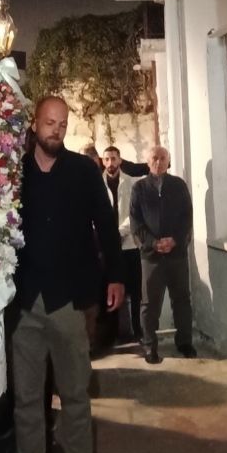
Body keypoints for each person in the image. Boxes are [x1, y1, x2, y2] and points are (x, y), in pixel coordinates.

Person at [2, 95, 124, 453]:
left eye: (62, 124)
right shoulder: (11, 173)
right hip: (24, 304)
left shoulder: (83, 172)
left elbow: (105, 225)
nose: (55, 130)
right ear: (35, 124)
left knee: (75, 395)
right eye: (49, 122)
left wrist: (115, 276)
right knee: (27, 401)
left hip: (70, 302)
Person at [130, 145, 195, 364]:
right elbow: (136, 222)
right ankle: (149, 346)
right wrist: (153, 243)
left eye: (163, 158)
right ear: (148, 162)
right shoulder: (139, 188)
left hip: (177, 255)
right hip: (151, 257)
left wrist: (175, 240)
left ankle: (184, 342)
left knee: (182, 300)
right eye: (154, 158)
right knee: (149, 304)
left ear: (169, 161)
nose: (158, 162)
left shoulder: (179, 185)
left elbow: (187, 217)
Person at [102, 145, 142, 342]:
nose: (110, 163)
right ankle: (112, 334)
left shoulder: (132, 183)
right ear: (103, 161)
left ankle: (138, 330)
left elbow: (134, 213)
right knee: (110, 290)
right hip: (107, 247)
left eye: (113, 158)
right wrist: (107, 236)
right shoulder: (97, 184)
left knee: (135, 290)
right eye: (107, 159)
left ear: (120, 160)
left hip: (129, 245)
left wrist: (119, 233)